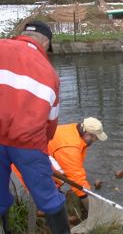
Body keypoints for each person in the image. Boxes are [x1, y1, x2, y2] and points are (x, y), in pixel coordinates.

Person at [0, 21, 71, 233]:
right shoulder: (50, 73)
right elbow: (51, 124)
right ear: (46, 42)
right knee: (48, 197)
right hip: (28, 144)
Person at [47, 117, 108, 213]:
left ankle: (51, 195)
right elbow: (76, 178)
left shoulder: (76, 130)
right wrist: (90, 205)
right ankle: (47, 204)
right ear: (88, 134)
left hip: (47, 153)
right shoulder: (70, 148)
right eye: (95, 138)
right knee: (63, 176)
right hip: (33, 163)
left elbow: (76, 166)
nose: (95, 141)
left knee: (71, 175)